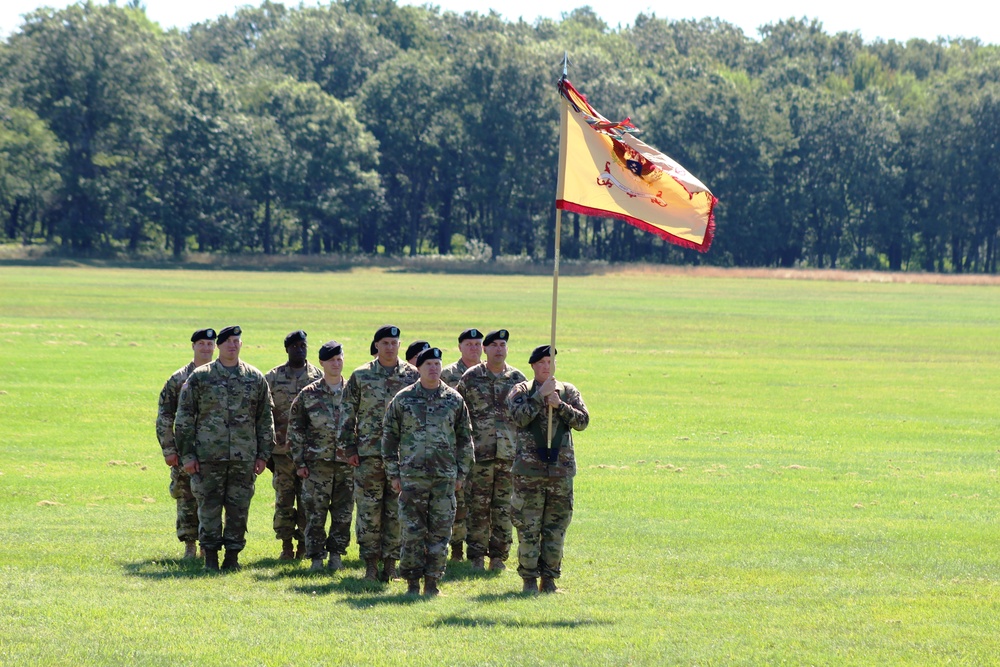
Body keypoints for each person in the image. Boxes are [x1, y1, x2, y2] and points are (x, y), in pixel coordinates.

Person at [176, 325, 274, 572]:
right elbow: (184, 418)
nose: (233, 345)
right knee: (208, 507)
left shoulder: (254, 377)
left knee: (239, 508)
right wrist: (187, 455)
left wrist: (263, 454)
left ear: (241, 345)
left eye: (237, 341)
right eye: (228, 341)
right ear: (219, 346)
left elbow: (264, 418)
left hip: (243, 457)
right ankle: (209, 555)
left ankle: (232, 556)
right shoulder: (201, 377)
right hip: (208, 457)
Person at [383, 347, 474, 596]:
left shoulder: (454, 400)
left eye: (437, 363)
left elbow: (465, 440)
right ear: (419, 369)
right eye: (428, 364)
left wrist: (461, 474)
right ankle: (412, 583)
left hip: (444, 479)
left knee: (440, 532)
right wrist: (393, 474)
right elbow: (389, 438)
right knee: (412, 532)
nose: (434, 368)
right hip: (412, 479)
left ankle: (432, 582)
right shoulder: (403, 399)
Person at [506, 345, 589, 593]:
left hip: (560, 471)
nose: (546, 366)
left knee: (556, 527)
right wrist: (539, 396)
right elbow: (519, 418)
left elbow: (583, 421)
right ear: (533, 366)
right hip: (529, 472)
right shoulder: (521, 390)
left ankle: (550, 579)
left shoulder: (568, 391)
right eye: (541, 362)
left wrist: (560, 405)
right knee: (529, 526)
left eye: (550, 362)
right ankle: (529, 580)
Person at [344, 325, 420, 582]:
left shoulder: (413, 376)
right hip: (369, 455)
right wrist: (349, 448)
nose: (390, 347)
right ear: (376, 345)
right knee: (368, 511)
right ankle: (370, 565)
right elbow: (347, 414)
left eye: (394, 342)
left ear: (400, 345)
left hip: (401, 457)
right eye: (385, 342)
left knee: (396, 511)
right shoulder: (361, 375)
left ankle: (391, 564)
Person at [456, 329, 526, 571]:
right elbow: (459, 414)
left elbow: (526, 417)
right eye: (494, 345)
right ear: (485, 350)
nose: (498, 349)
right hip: (479, 454)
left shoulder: (518, 379)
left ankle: (498, 557)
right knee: (477, 507)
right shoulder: (471, 377)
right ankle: (475, 555)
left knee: (504, 508)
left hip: (508, 455)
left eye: (502, 345)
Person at [287, 341, 359, 571]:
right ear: (322, 363)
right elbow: (295, 429)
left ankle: (336, 556)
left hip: (347, 465)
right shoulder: (308, 394)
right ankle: (316, 558)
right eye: (331, 360)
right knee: (315, 514)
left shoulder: (353, 392)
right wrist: (299, 462)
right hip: (317, 466)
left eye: (339, 359)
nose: (336, 364)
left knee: (343, 514)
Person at [155, 327, 216, 559]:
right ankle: (189, 545)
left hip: (213, 450)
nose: (206, 348)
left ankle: (207, 546)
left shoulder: (219, 375)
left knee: (211, 498)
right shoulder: (178, 379)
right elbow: (164, 416)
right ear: (193, 346)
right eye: (201, 344)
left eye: (210, 344)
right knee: (186, 496)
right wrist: (169, 448)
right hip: (184, 450)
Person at [265, 330, 323, 560]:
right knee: (284, 501)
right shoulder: (273, 377)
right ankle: (286, 545)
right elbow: (265, 414)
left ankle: (305, 546)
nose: (300, 349)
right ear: (287, 349)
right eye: (295, 346)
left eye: (303, 345)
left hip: (311, 452)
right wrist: (267, 450)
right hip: (282, 452)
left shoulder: (318, 376)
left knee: (309, 502)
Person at [440, 327, 484, 561]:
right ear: (460, 347)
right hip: (455, 449)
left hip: (486, 448)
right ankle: (456, 549)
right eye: (469, 344)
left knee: (480, 503)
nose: (474, 348)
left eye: (478, 344)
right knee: (457, 501)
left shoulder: (490, 373)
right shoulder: (447, 375)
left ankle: (480, 552)